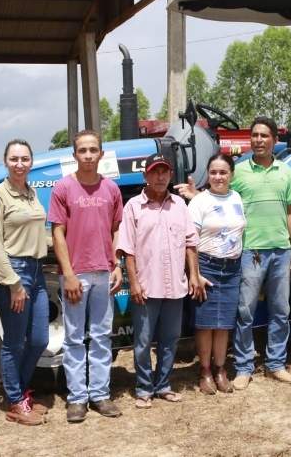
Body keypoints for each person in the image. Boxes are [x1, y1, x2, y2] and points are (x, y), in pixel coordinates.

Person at [178, 116, 291, 389]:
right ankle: (244, 366)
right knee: (245, 311)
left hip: (281, 251)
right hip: (250, 251)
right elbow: (217, 193)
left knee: (281, 310)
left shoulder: (284, 171)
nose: (258, 139)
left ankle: (276, 364)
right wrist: (195, 193)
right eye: (255, 135)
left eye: (264, 135)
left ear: (274, 140)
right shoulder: (241, 172)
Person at [49, 130, 125, 423]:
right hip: (77, 274)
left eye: (94, 150)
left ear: (101, 154)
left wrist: (116, 264)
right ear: (75, 155)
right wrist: (67, 274)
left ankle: (100, 394)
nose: (89, 155)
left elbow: (116, 229)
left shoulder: (111, 189)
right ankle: (77, 398)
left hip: (104, 272)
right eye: (83, 150)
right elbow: (58, 232)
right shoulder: (63, 188)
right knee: (74, 338)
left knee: (102, 336)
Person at [117, 153, 203, 409]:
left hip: (175, 286)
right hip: (146, 286)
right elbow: (128, 250)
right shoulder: (133, 206)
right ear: (145, 175)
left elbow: (190, 244)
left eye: (164, 171)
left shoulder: (179, 205)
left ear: (170, 175)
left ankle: (163, 385)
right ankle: (144, 387)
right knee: (143, 342)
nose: (160, 176)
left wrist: (194, 275)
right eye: (155, 171)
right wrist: (132, 283)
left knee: (170, 340)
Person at [0, 140, 49, 425]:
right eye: (14, 159)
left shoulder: (31, 193)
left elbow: (38, 234)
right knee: (14, 342)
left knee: (39, 339)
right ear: (5, 162)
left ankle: (20, 391)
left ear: (31, 162)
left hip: (37, 270)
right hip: (14, 272)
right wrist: (13, 283)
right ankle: (14, 401)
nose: (20, 163)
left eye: (24, 159)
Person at [188, 154, 246, 394]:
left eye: (223, 172)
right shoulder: (199, 202)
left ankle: (221, 369)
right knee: (205, 323)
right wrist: (195, 273)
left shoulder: (237, 197)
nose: (218, 177)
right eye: (213, 172)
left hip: (232, 269)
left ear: (231, 174)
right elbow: (190, 242)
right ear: (208, 175)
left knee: (224, 324)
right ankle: (205, 370)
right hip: (207, 266)